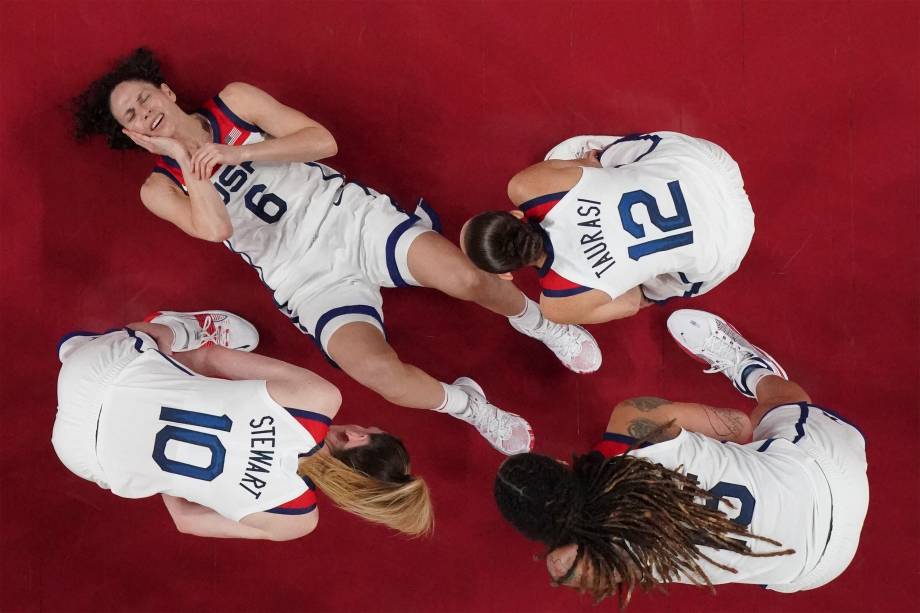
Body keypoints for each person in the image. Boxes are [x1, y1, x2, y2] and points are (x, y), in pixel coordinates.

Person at [72, 48, 604, 455]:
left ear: (165, 91)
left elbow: (322, 141)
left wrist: (246, 153)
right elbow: (212, 230)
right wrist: (191, 162)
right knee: (374, 371)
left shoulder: (235, 102)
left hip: (350, 220)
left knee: (466, 279)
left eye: (144, 99)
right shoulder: (159, 187)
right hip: (303, 277)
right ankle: (471, 406)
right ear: (133, 136)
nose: (145, 112)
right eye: (132, 117)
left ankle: (542, 325)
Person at [493, 309, 868, 605]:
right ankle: (752, 372)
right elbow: (738, 426)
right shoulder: (632, 422)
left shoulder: (601, 561)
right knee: (778, 409)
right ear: (560, 466)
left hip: (812, 569)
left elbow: (570, 572)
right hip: (830, 478)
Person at [53, 309, 433, 540]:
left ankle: (161, 329)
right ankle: (85, 360)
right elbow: (185, 519)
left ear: (357, 436)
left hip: (99, 370)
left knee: (173, 343)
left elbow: (209, 359)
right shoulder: (294, 521)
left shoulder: (319, 400)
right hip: (83, 456)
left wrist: (172, 355)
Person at [461, 133, 755, 324]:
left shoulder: (559, 305)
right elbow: (590, 166)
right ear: (513, 213)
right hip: (708, 164)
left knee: (649, 290)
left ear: (506, 274)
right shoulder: (524, 186)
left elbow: (632, 303)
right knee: (598, 163)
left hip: (730, 245)